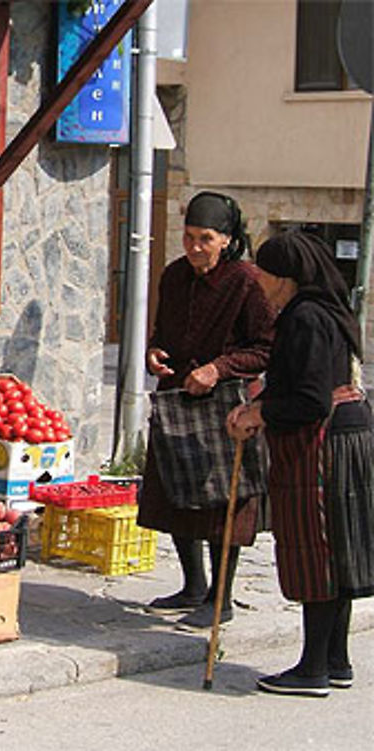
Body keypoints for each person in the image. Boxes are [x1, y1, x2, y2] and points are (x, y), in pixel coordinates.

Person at [227, 230, 374, 697]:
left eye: (264, 272)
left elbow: (309, 399)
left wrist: (261, 412)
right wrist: (259, 405)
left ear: (285, 277)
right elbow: (301, 380)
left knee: (318, 552)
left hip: (323, 447)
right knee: (339, 551)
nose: (259, 281)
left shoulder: (306, 318)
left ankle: (312, 668)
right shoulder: (324, 310)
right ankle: (336, 659)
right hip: (347, 438)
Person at [139, 191, 276, 629]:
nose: (194, 247)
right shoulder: (175, 276)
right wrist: (155, 352)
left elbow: (266, 348)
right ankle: (192, 585)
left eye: (206, 238)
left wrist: (219, 368)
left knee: (222, 504)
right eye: (189, 236)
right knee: (177, 494)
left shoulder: (247, 281)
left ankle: (222, 597)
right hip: (179, 398)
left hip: (225, 408)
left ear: (227, 240)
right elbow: (163, 331)